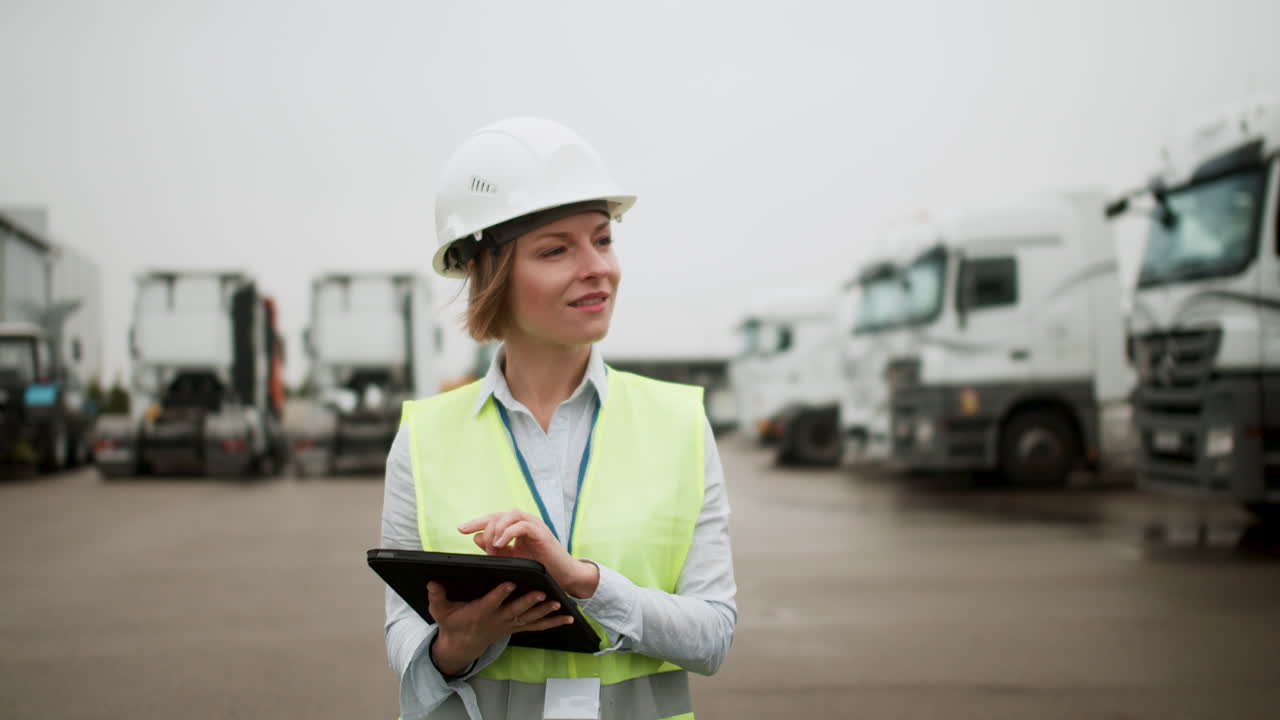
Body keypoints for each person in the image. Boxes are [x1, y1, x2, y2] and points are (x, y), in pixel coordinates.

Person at [380, 117, 738, 720]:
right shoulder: (423, 438)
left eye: (603, 239)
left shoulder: (678, 423)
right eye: (556, 249)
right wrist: (456, 646)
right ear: (488, 272)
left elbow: (714, 635)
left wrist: (585, 583)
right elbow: (402, 637)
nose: (597, 266)